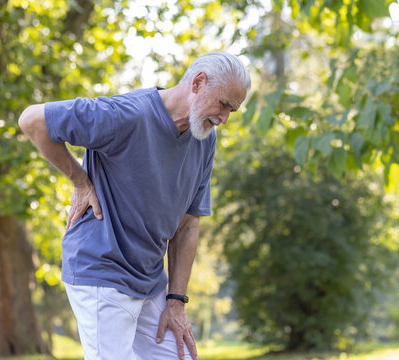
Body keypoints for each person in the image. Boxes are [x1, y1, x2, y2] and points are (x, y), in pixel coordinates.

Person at [18, 52, 251, 360]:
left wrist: (176, 300)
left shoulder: (204, 139)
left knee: (180, 356)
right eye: (223, 105)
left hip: (149, 279)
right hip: (102, 270)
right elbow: (32, 120)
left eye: (232, 110)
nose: (224, 118)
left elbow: (188, 224)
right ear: (198, 82)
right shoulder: (127, 115)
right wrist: (80, 181)